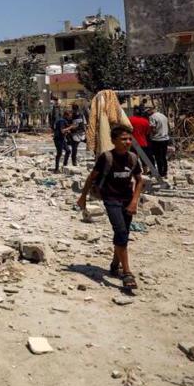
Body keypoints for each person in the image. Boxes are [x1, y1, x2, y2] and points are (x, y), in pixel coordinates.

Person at [77, 125, 144, 292]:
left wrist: (135, 201)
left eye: (129, 139)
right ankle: (127, 272)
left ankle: (115, 264)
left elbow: (139, 180)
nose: (128, 142)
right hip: (111, 199)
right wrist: (83, 197)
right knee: (121, 232)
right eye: (123, 139)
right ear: (114, 141)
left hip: (127, 200)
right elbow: (91, 177)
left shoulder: (133, 158)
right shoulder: (106, 158)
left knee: (123, 233)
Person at [146, 106, 171, 178]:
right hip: (165, 138)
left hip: (157, 139)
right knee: (163, 156)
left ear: (151, 110)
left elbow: (153, 129)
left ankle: (160, 172)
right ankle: (165, 172)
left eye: (148, 111)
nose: (147, 113)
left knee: (158, 157)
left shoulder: (152, 117)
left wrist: (149, 133)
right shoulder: (163, 116)